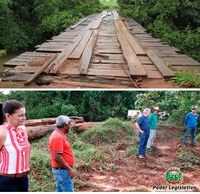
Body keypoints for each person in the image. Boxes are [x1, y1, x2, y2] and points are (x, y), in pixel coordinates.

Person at [0, 100, 31, 192]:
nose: (24, 118)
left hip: (24, 180)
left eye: (24, 114)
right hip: (6, 181)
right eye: (20, 115)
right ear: (8, 116)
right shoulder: (2, 132)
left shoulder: (22, 130)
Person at [49, 115, 75, 192]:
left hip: (61, 170)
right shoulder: (58, 137)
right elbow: (57, 157)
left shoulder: (58, 134)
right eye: (69, 124)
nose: (70, 126)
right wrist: (69, 169)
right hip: (63, 171)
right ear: (64, 126)